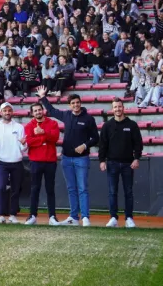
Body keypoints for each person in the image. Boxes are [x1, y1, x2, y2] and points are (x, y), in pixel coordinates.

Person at [37, 85, 99, 226]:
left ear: (80, 103)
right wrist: (42, 97)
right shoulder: (66, 115)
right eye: (73, 103)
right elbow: (51, 111)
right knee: (71, 188)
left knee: (82, 188)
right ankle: (73, 217)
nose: (75, 105)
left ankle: (85, 217)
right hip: (66, 158)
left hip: (82, 159)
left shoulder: (89, 119)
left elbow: (96, 138)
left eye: (77, 102)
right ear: (70, 105)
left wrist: (85, 146)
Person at [99, 98, 143, 228]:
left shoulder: (132, 125)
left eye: (119, 106)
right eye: (115, 107)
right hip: (111, 163)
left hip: (128, 164)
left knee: (128, 192)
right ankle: (113, 217)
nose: (117, 109)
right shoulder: (107, 126)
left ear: (123, 108)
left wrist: (136, 158)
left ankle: (129, 218)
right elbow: (102, 145)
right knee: (112, 192)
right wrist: (102, 160)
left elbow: (138, 144)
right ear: (112, 109)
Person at [0, 102, 27, 224]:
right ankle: (1, 215)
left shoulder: (19, 127)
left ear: (12, 112)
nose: (7, 112)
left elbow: (24, 149)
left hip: (17, 162)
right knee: (1, 188)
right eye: (5, 110)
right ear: (1, 112)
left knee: (15, 189)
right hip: (2, 163)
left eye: (9, 110)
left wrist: (23, 143)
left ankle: (13, 215)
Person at [24, 102, 60, 226]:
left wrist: (42, 133)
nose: (38, 112)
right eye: (35, 111)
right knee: (35, 189)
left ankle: (52, 217)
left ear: (43, 110)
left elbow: (55, 138)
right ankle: (32, 215)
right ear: (32, 113)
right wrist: (44, 138)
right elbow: (29, 141)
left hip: (50, 161)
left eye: (40, 110)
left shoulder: (53, 123)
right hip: (35, 161)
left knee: (50, 190)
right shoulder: (29, 125)